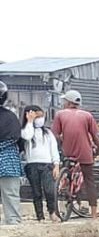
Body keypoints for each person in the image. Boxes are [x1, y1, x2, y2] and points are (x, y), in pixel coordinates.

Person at [50, 89, 99, 219]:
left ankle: (66, 190)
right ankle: (94, 215)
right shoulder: (87, 115)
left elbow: (54, 134)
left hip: (67, 151)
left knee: (67, 174)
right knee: (89, 181)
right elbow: (95, 135)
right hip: (85, 152)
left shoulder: (60, 114)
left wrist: (62, 142)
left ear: (68, 102)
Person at [20, 105, 60, 221]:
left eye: (42, 116)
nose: (40, 119)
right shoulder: (25, 131)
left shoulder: (47, 133)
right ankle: (40, 216)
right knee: (36, 192)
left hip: (47, 164)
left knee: (49, 190)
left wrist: (56, 164)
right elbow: (27, 136)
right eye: (38, 116)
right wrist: (30, 121)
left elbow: (54, 149)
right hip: (32, 165)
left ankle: (52, 212)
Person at [0, 83, 22, 224]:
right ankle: (12, 220)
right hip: (8, 160)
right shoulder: (10, 117)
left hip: (8, 159)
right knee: (10, 193)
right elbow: (17, 138)